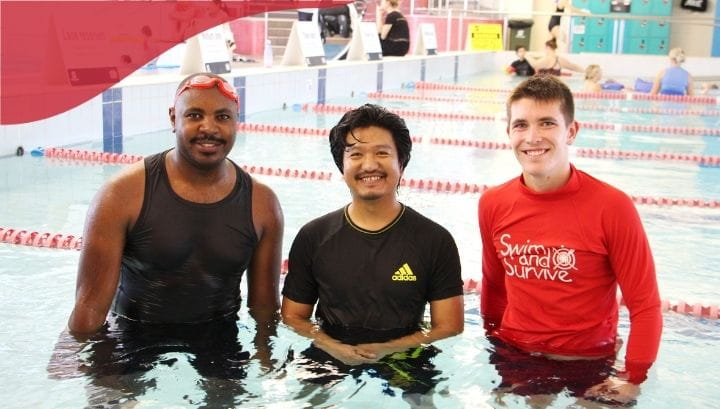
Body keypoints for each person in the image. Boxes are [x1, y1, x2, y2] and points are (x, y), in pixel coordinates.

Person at [64, 72, 284, 405]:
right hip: (132, 333)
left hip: (219, 336)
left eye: (222, 117)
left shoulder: (262, 204)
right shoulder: (121, 195)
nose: (209, 128)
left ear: (237, 123)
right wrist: (91, 371)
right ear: (173, 118)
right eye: (194, 115)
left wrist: (267, 363)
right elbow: (90, 308)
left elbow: (265, 306)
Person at [479, 76, 662, 404]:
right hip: (518, 354)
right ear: (509, 132)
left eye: (547, 123)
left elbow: (645, 306)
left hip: (590, 362)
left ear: (571, 131)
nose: (532, 137)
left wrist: (632, 377)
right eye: (520, 125)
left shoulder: (612, 207)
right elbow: (494, 284)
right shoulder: (493, 203)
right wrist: (493, 344)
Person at [281, 103, 463, 399]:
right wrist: (333, 346)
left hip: (404, 351)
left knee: (425, 404)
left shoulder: (434, 240)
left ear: (401, 163)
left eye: (382, 153)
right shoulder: (314, 236)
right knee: (308, 402)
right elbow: (293, 316)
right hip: (330, 348)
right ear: (342, 166)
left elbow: (450, 326)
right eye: (355, 154)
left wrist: (386, 349)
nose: (369, 165)